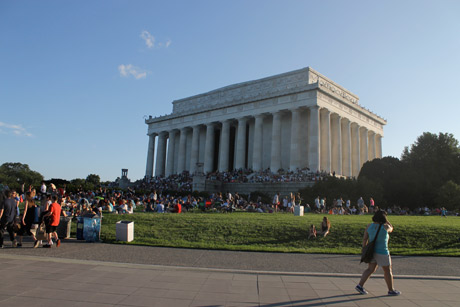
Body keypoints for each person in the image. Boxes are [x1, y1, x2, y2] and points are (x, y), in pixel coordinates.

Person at [356, 210, 401, 296]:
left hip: (372, 251)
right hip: (382, 251)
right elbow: (391, 228)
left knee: (370, 269)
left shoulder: (369, 226)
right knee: (387, 270)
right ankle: (391, 290)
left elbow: (365, 238)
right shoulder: (385, 227)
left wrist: (364, 248)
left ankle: (360, 285)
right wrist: (386, 220)